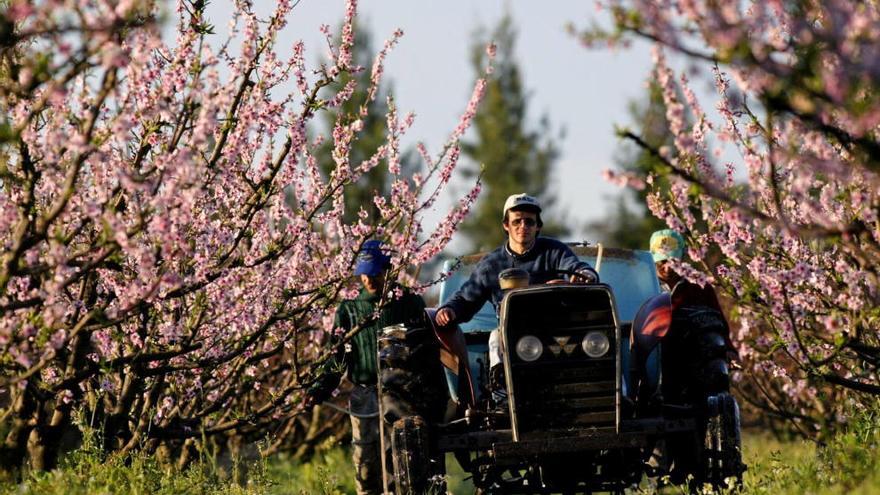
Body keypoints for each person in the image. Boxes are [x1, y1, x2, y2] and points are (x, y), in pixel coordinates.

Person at [434, 193, 599, 386]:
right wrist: (449, 310)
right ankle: (501, 394)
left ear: (538, 226)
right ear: (506, 225)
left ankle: (616, 394)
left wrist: (585, 276)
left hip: (556, 328)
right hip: (512, 333)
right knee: (496, 338)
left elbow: (577, 267)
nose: (523, 227)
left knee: (597, 340)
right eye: (517, 221)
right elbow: (466, 298)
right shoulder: (491, 264)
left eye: (529, 222)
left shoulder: (555, 251)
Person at [309, 240, 426, 495]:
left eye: (375, 273)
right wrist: (320, 388)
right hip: (364, 393)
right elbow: (337, 356)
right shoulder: (349, 308)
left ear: (388, 270)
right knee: (365, 464)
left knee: (403, 463)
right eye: (364, 273)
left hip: (403, 394)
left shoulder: (408, 302)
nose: (369, 280)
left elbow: (426, 352)